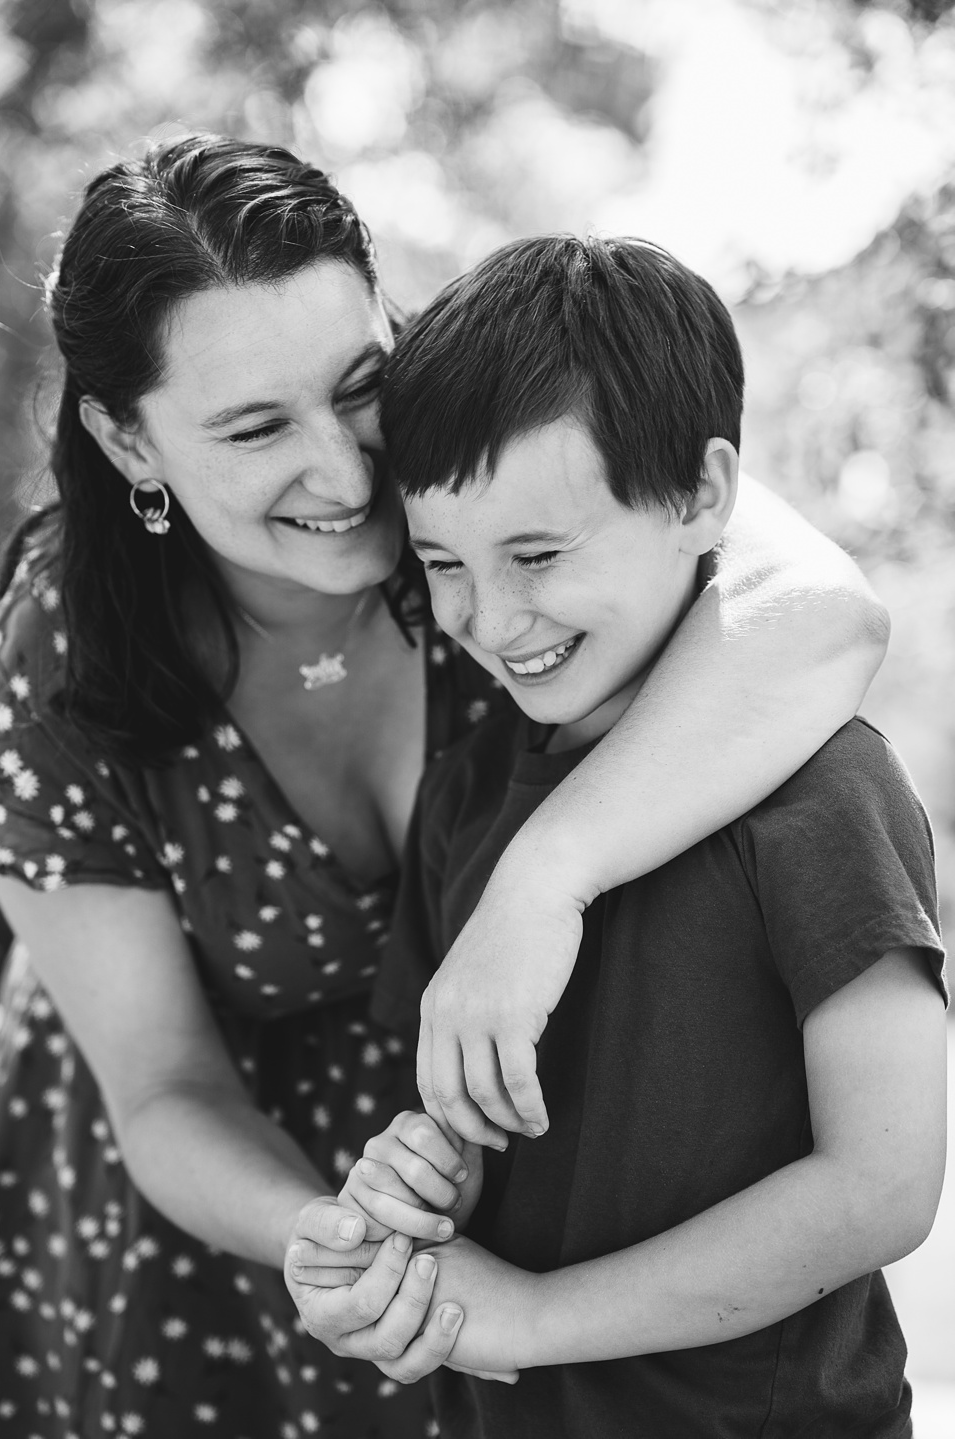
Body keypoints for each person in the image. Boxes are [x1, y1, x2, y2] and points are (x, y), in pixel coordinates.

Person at [0, 135, 892, 1438]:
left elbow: (823, 614)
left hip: (521, 1207)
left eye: (360, 382)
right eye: (256, 428)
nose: (355, 474)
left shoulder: (487, 461)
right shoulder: (60, 642)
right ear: (130, 439)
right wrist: (330, 1233)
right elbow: (163, 1083)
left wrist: (540, 880)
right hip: (222, 1221)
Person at [289, 234, 946, 1433]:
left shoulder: (827, 791)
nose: (489, 617)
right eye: (443, 562)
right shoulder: (470, 789)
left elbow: (884, 1184)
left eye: (537, 554)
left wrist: (538, 1318)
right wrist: (411, 1191)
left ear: (701, 494)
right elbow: (478, 1124)